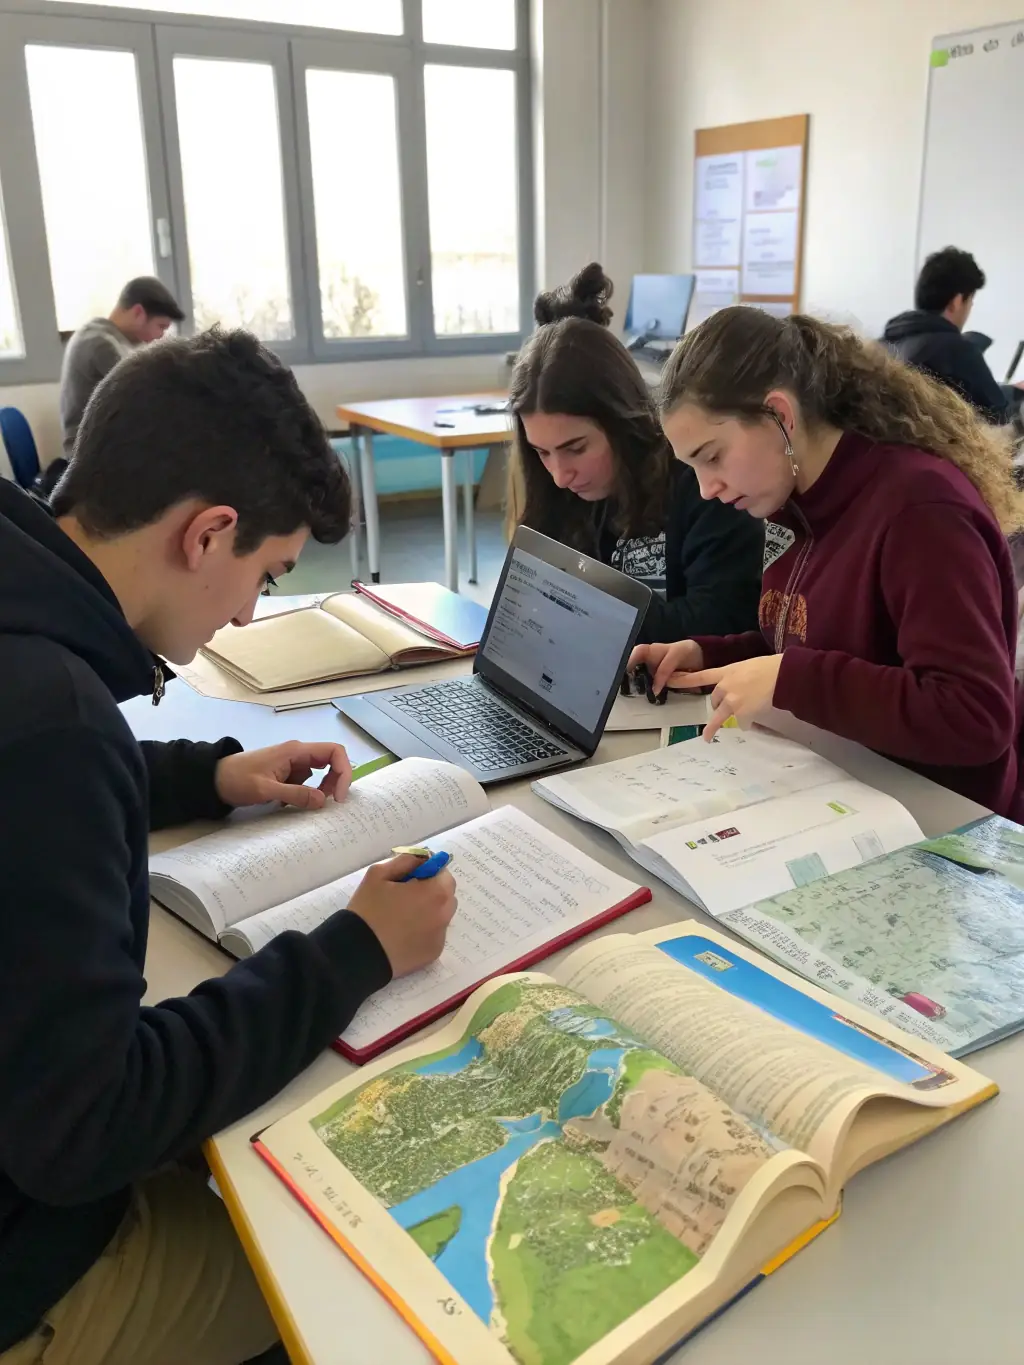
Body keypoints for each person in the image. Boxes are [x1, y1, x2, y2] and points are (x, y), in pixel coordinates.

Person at [0, 329, 457, 1365]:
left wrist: (203, 776)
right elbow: (87, 1126)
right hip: (28, 1261)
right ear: (206, 533)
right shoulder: (53, 727)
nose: (250, 610)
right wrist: (353, 953)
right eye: (266, 571)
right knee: (357, 1280)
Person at [631, 306, 1024, 820]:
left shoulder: (922, 511)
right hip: (846, 789)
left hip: (942, 821)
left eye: (713, 456)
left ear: (780, 416)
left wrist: (789, 679)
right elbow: (815, 644)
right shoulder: (793, 499)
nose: (707, 489)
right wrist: (708, 655)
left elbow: (974, 716)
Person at [507, 263, 764, 642]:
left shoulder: (702, 480)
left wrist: (577, 606)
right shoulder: (557, 493)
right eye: (542, 453)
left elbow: (720, 623)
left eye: (575, 448)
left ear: (621, 420)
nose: (561, 476)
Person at [881, 246, 1013, 423]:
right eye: (971, 301)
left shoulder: (883, 344)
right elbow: (1000, 416)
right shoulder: (957, 351)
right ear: (957, 301)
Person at [59, 276, 186, 458]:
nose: (161, 336)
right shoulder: (101, 344)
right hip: (89, 456)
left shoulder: (117, 338)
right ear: (138, 313)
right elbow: (147, 402)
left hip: (109, 445)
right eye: (161, 327)